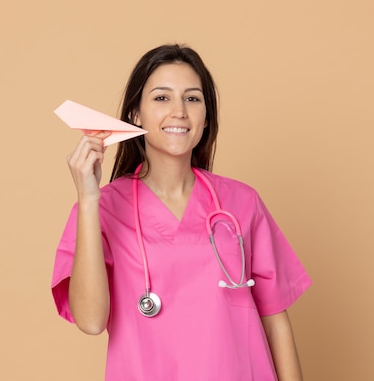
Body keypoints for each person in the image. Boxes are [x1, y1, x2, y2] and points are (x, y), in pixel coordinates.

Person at [51, 44, 311, 380]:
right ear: (135, 115)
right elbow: (90, 320)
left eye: (192, 98)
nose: (180, 111)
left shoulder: (242, 203)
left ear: (206, 117)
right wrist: (88, 198)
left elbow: (276, 322)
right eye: (162, 98)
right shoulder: (103, 209)